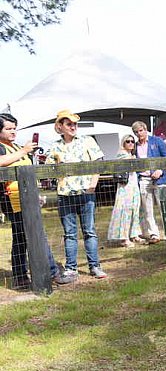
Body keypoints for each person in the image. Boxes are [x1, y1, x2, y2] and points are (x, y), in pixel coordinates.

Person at [0, 113, 71, 289]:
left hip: (27, 198)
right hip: (12, 199)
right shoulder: (4, 148)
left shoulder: (16, 146)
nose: (13, 132)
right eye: (8, 128)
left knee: (21, 239)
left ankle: (20, 276)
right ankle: (52, 272)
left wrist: (35, 194)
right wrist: (23, 151)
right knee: (36, 235)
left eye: (14, 128)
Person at [46, 110, 107, 281]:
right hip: (65, 195)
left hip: (86, 194)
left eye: (74, 124)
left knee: (90, 231)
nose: (73, 127)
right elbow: (48, 170)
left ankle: (95, 266)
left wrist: (92, 185)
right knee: (70, 234)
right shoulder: (55, 146)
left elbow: (98, 163)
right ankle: (71, 268)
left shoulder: (87, 141)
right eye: (69, 124)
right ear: (60, 127)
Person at [131, 121, 166, 245]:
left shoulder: (157, 141)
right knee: (147, 210)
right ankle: (154, 234)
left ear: (145, 129)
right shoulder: (135, 146)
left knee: (163, 207)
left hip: (159, 179)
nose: (139, 133)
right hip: (143, 179)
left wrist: (161, 170)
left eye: (141, 130)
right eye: (136, 132)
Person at [107, 135, 142, 248]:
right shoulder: (121, 155)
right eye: (128, 141)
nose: (131, 143)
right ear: (123, 143)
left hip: (134, 185)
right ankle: (124, 237)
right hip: (125, 186)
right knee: (124, 211)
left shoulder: (131, 155)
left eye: (133, 141)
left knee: (135, 209)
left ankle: (134, 234)